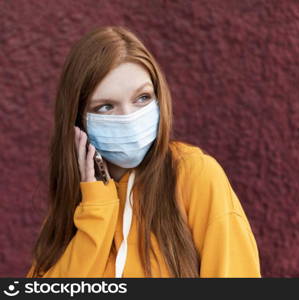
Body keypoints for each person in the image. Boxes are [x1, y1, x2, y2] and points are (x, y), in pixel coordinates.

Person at [25, 26, 261, 278]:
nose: (129, 118)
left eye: (142, 98)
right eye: (106, 106)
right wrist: (96, 210)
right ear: (78, 119)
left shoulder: (194, 174)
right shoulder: (78, 199)